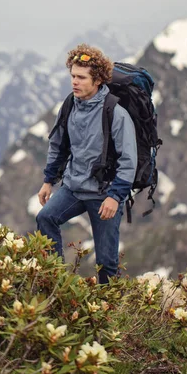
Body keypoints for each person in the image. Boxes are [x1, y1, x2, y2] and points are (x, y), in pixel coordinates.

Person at [36, 44, 137, 284]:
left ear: (98, 80)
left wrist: (116, 196)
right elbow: (58, 145)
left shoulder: (116, 113)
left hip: (104, 194)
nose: (74, 82)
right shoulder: (69, 105)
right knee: (45, 218)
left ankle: (107, 310)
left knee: (106, 262)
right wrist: (49, 181)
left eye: (81, 78)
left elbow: (128, 160)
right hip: (73, 188)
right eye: (72, 76)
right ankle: (57, 285)